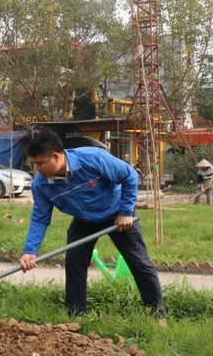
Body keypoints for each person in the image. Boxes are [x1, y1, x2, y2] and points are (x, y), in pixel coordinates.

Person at [18, 129, 165, 318]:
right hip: (84, 220)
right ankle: (76, 315)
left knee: (139, 262)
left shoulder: (93, 158)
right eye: (34, 164)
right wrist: (30, 251)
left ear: (55, 157)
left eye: (40, 163)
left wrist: (126, 212)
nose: (37, 169)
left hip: (117, 214)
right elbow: (40, 218)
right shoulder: (42, 185)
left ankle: (158, 315)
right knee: (75, 263)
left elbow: (129, 175)